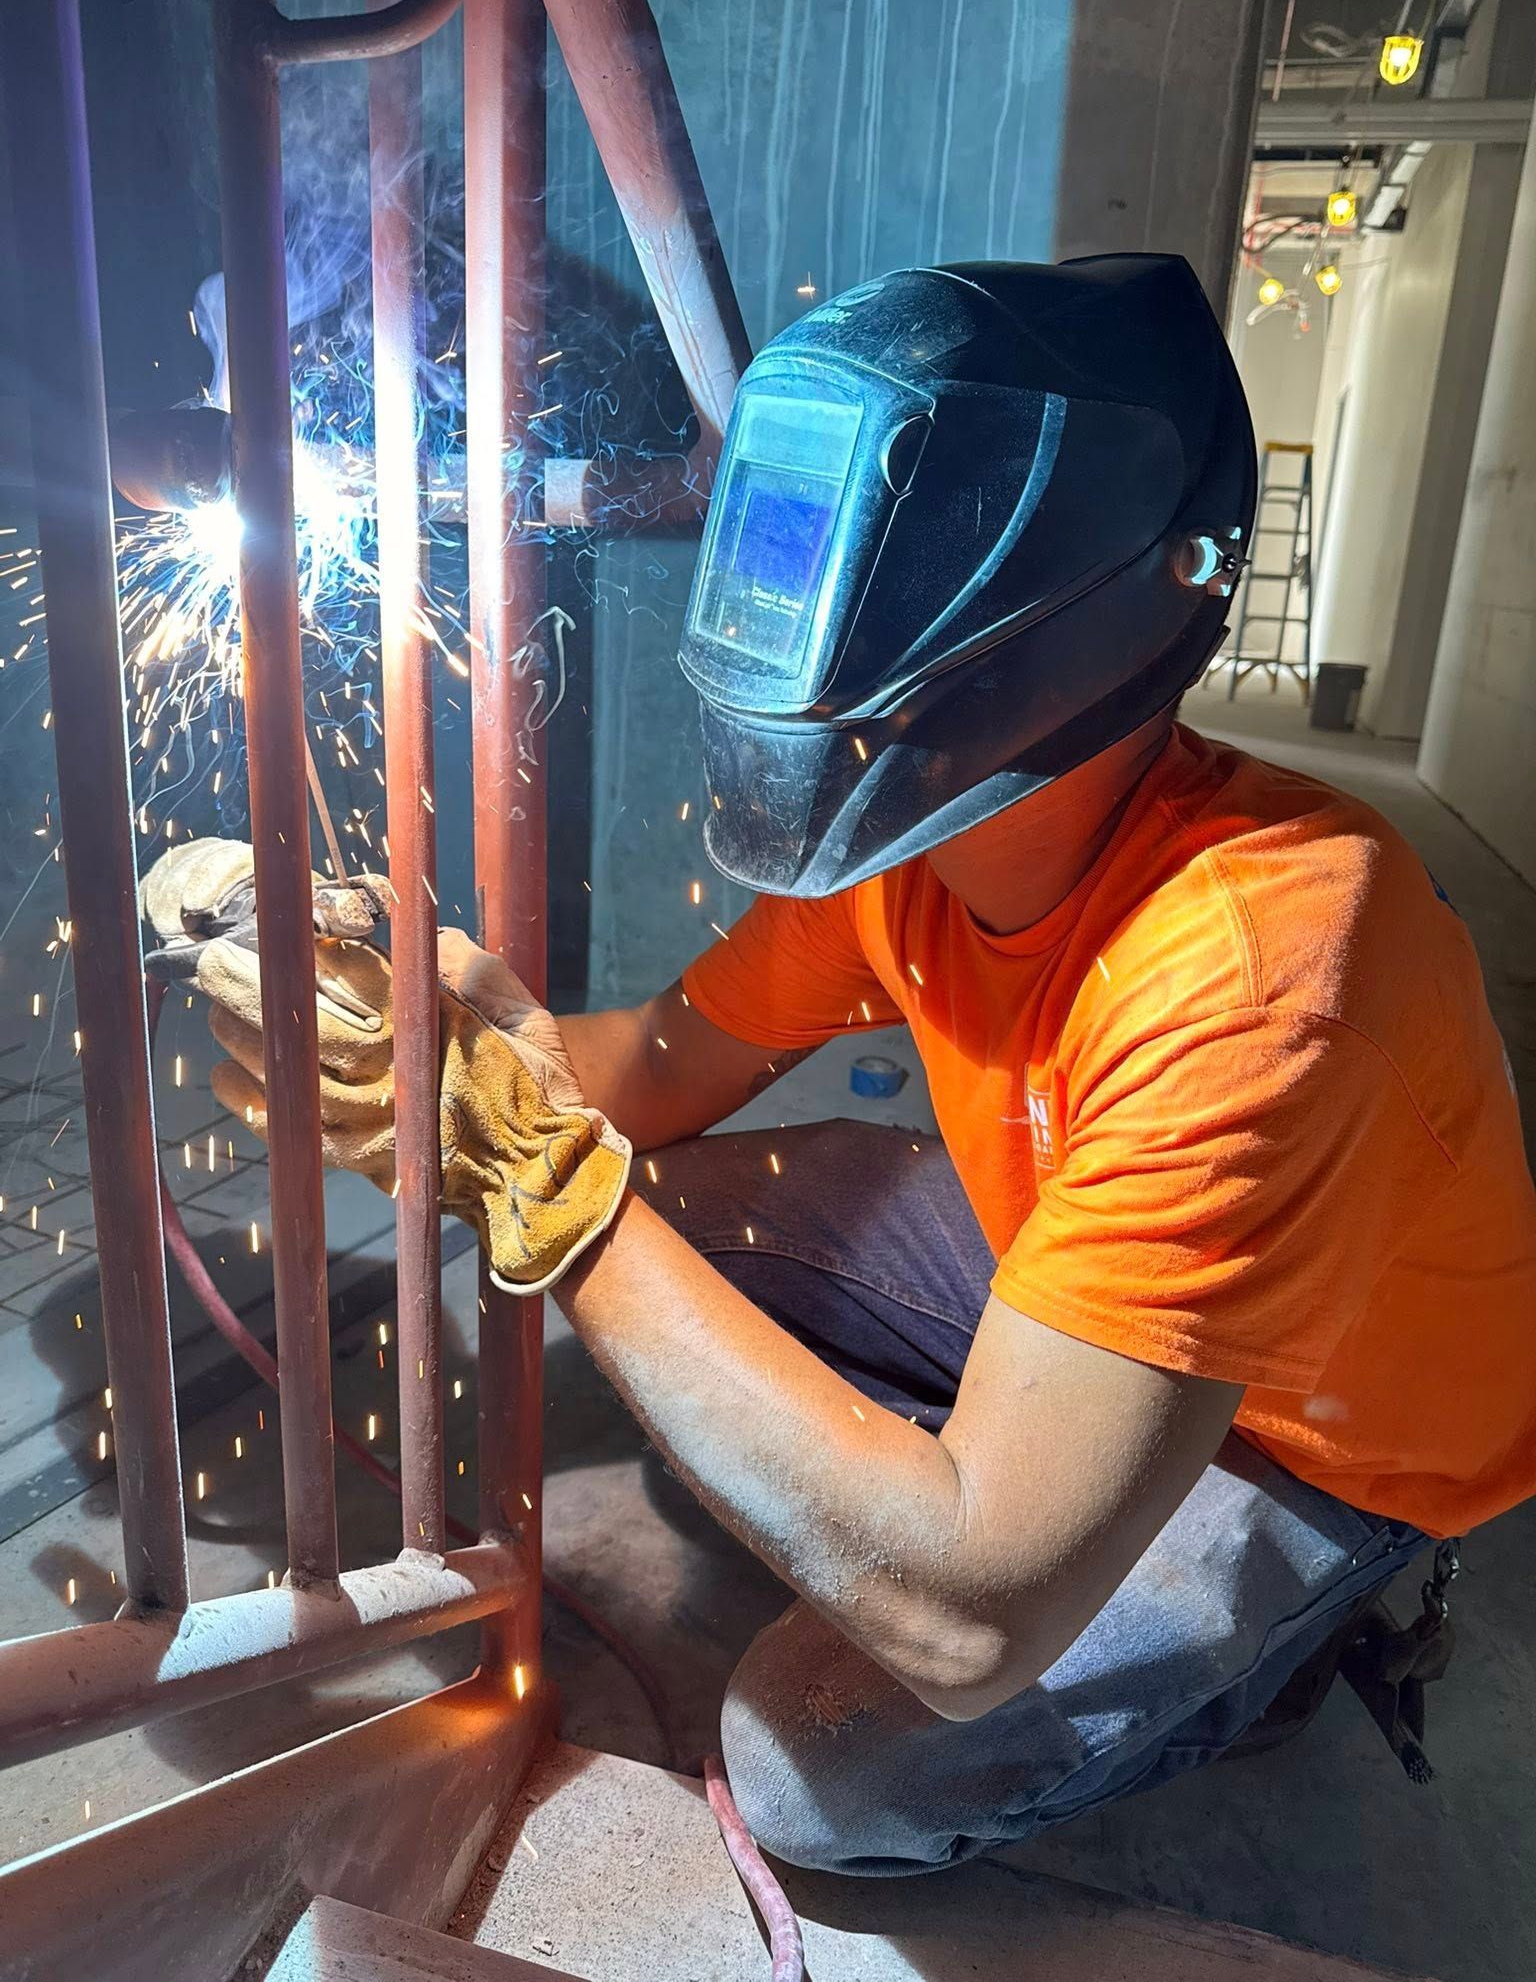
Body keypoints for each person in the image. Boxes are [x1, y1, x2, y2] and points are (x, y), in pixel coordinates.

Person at [160, 256, 1536, 1877]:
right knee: (688, 1215)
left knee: (822, 1757)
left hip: (1321, 1433)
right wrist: (440, 1022)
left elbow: (968, 1625)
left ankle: (1294, 1632)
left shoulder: (1262, 965)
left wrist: (533, 1180)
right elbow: (651, 1075)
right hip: (1071, 1258)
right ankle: (1019, 1436)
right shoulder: (922, 855)